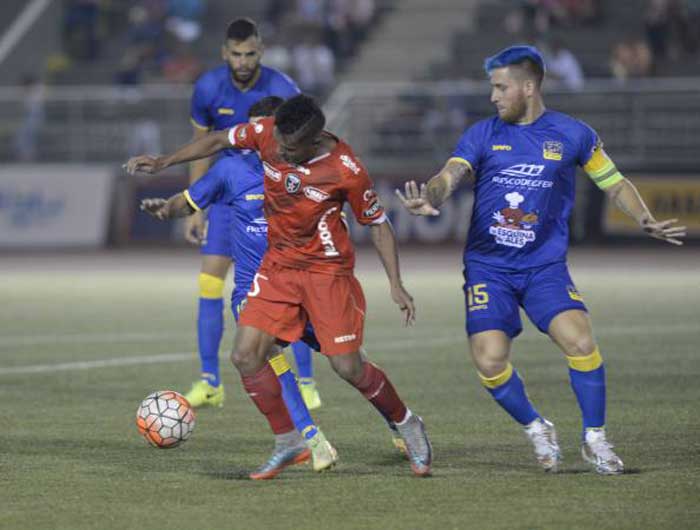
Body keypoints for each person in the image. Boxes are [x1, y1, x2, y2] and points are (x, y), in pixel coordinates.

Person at [396, 45, 685, 475]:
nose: (493, 97)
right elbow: (449, 176)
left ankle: (595, 439)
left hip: (543, 266)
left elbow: (613, 181)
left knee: (581, 342)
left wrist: (644, 217)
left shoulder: (573, 134)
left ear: (528, 87)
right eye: (492, 88)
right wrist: (429, 196)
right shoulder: (482, 134)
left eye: (500, 87)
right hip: (488, 267)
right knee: (490, 359)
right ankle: (536, 426)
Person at [127, 94, 433, 477]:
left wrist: (396, 284)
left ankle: (407, 423)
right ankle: (289, 441)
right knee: (245, 355)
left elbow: (377, 224)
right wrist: (163, 162)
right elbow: (219, 139)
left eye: (292, 149)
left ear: (315, 137)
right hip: (279, 267)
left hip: (326, 273)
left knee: (348, 367)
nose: (282, 153)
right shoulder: (267, 133)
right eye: (281, 146)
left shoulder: (346, 168)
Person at [138, 97, 335, 480]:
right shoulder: (230, 169)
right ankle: (308, 438)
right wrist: (166, 208)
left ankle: (399, 422)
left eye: (268, 130)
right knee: (268, 355)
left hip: (301, 281)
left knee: (347, 361)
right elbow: (188, 201)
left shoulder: (301, 171)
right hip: (254, 290)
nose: (259, 138)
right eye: (254, 129)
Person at [184, 17, 321, 411]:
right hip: (229, 192)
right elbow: (201, 145)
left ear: (260, 51)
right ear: (224, 53)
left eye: (250, 54)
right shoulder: (208, 87)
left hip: (274, 193)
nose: (243, 61)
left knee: (286, 286)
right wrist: (198, 207)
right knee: (209, 282)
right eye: (236, 54)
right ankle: (211, 382)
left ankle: (308, 382)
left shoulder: (282, 89)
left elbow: (306, 142)